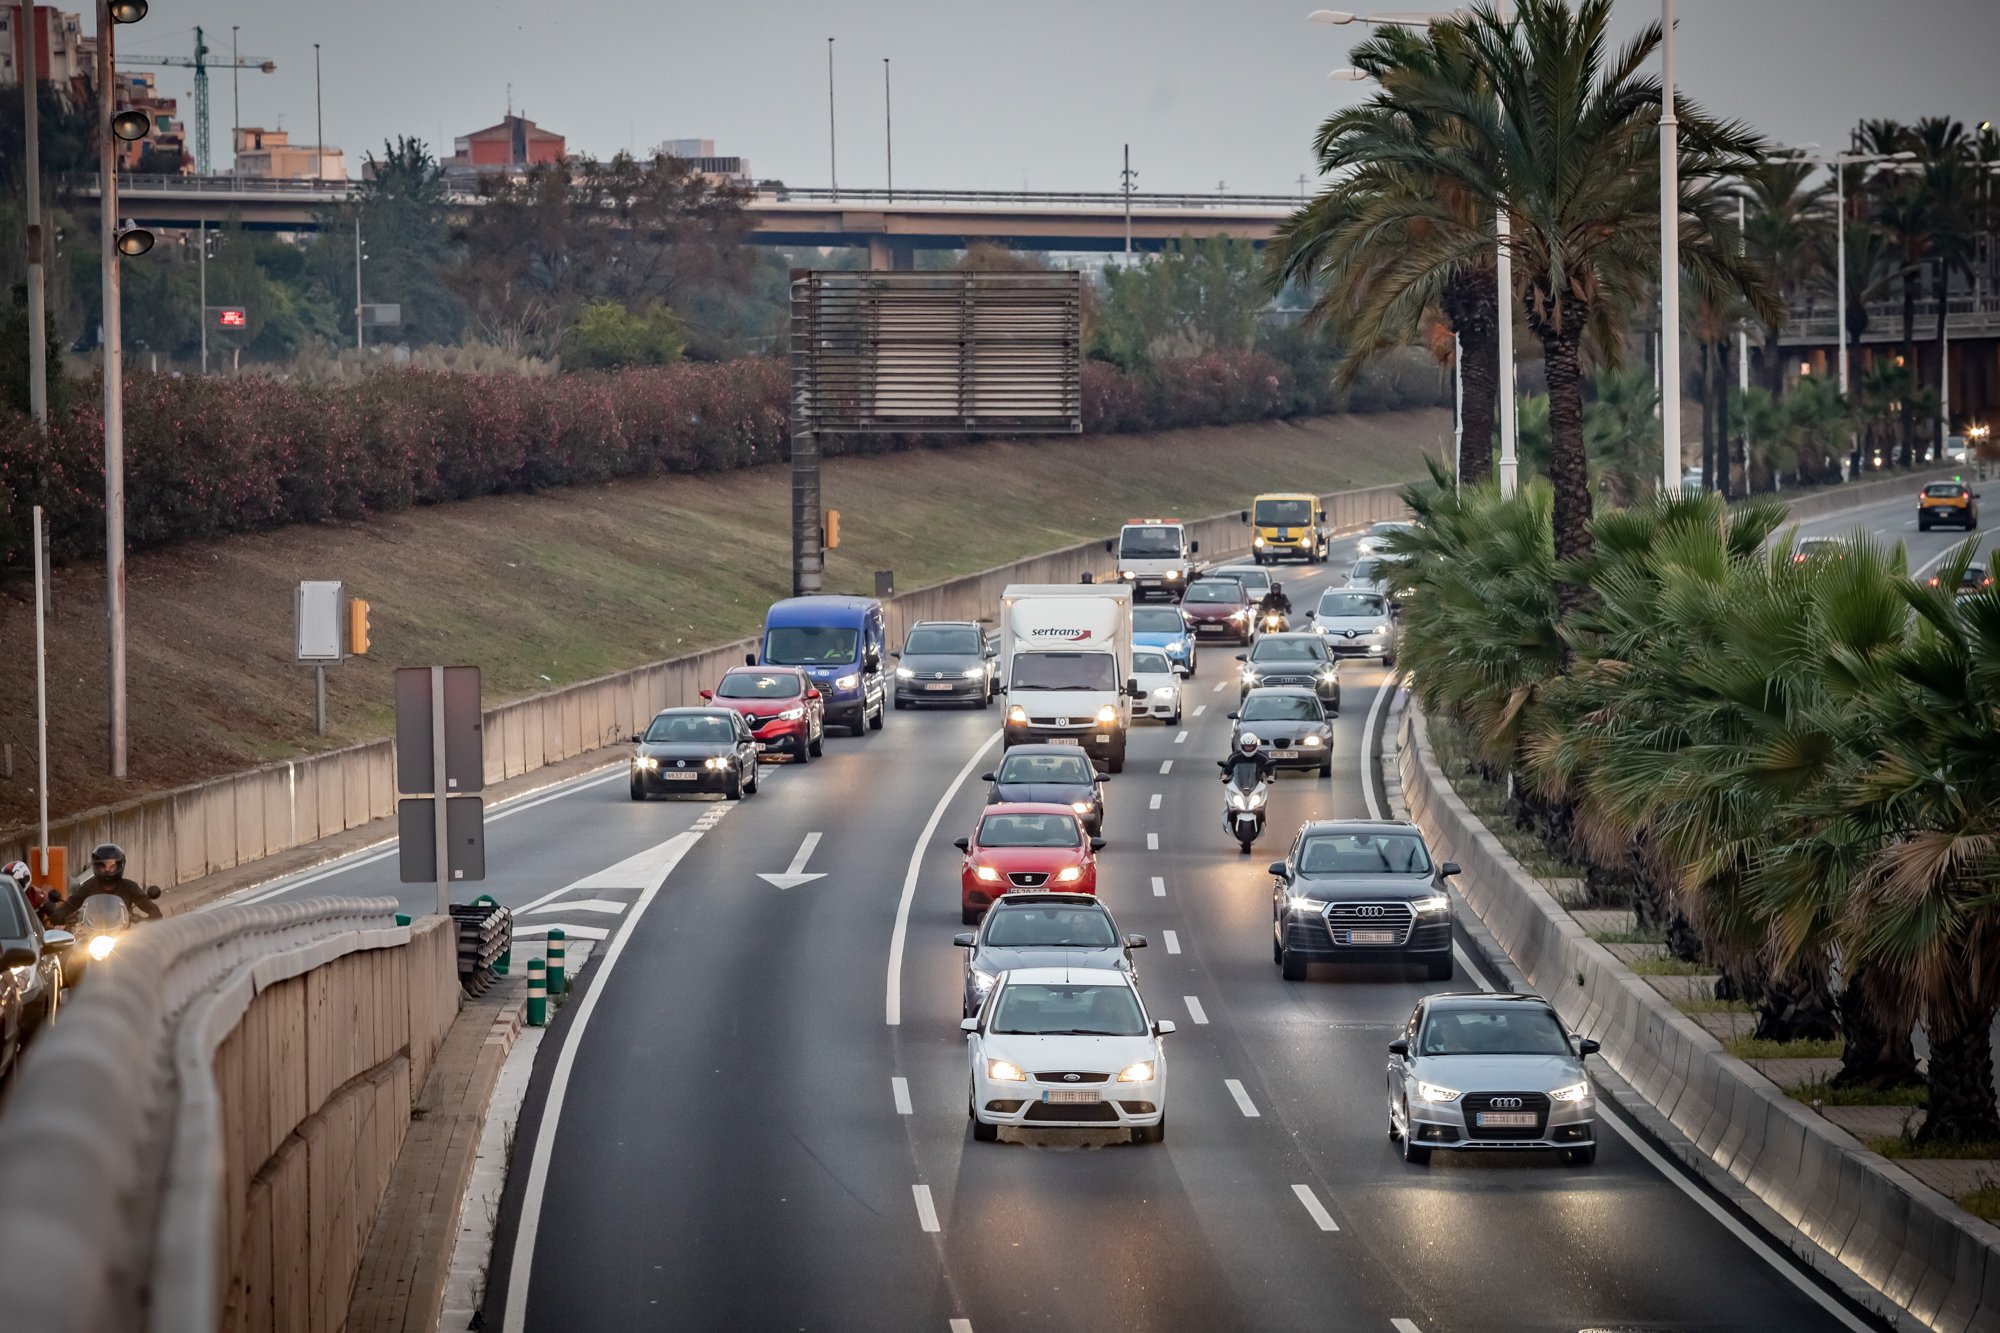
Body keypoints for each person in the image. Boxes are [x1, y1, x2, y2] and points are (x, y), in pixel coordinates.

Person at [48, 842, 162, 925]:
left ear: (120, 865)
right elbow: (71, 903)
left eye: (112, 866)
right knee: (74, 955)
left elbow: (149, 906)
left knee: (143, 953)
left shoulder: (129, 887)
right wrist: (60, 915)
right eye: (103, 866)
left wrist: (149, 917)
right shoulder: (88, 886)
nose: (107, 869)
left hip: (124, 936)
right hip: (92, 935)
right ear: (96, 866)